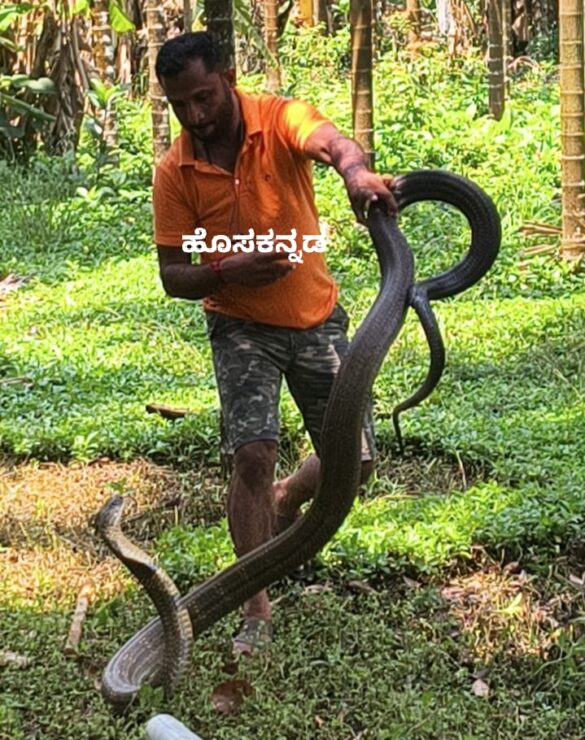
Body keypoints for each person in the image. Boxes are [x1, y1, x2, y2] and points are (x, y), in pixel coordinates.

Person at [152, 32, 397, 656]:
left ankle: (287, 497)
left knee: (355, 463)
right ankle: (254, 605)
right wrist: (226, 270)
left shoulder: (280, 118)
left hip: (315, 317)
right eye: (180, 105)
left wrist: (355, 172)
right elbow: (173, 275)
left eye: (204, 97)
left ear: (228, 78)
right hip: (239, 323)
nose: (195, 115)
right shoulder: (174, 170)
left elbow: (333, 143)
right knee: (253, 456)